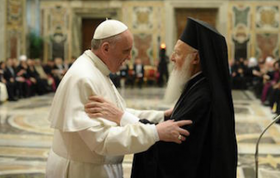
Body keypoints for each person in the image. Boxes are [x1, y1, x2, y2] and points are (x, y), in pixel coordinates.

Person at [86, 17, 238, 178]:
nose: (171, 58)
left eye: (178, 53)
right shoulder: (198, 87)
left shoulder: (204, 97)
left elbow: (171, 149)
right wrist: (163, 116)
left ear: (196, 58)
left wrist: (121, 117)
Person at [45, 19, 192, 178]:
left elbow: (116, 113)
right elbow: (101, 140)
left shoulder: (97, 69)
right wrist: (155, 132)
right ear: (106, 48)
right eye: (125, 51)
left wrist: (160, 116)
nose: (129, 57)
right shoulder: (83, 78)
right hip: (82, 171)